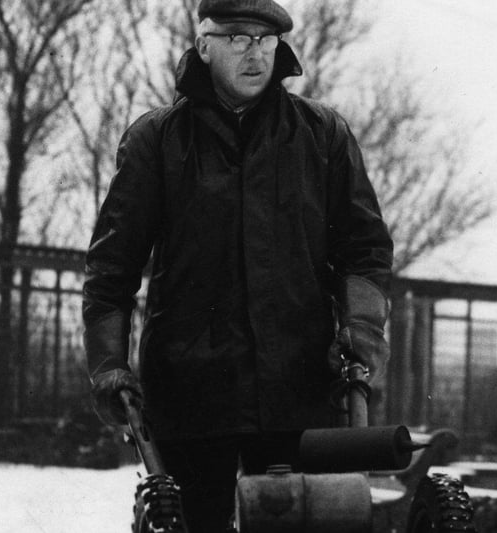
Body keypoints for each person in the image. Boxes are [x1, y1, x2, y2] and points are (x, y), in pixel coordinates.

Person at [82, 0, 393, 530]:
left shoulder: (322, 136)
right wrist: (108, 364)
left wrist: (361, 331)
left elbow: (364, 249)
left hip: (301, 394)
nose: (254, 53)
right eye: (237, 39)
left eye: (265, 40)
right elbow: (112, 269)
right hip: (191, 398)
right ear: (203, 45)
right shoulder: (157, 141)